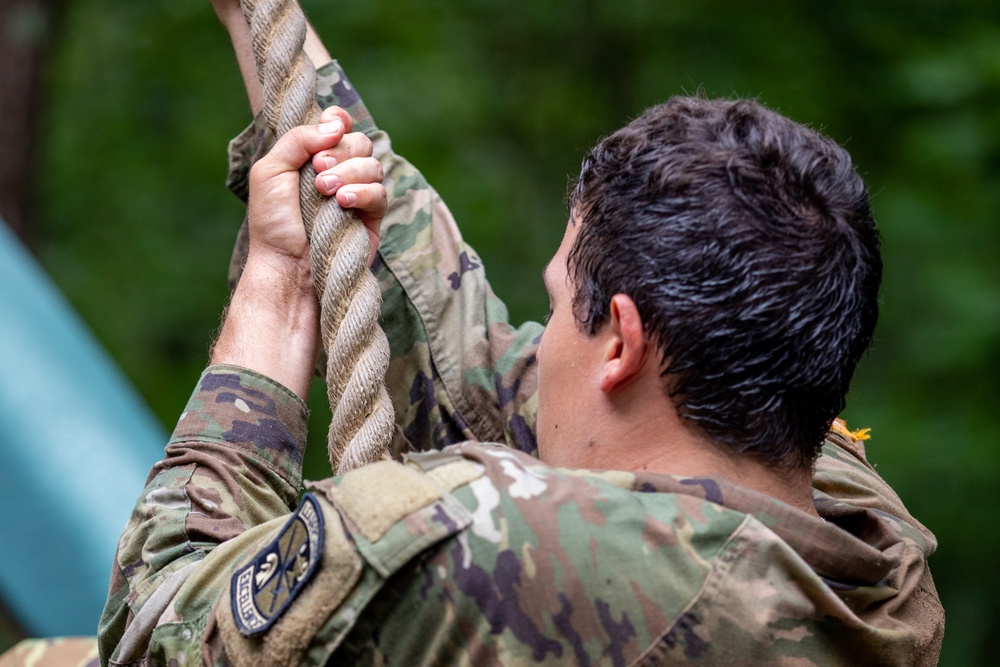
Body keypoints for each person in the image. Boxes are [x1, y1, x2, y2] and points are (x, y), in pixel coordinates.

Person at [97, 3, 945, 665]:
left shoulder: (476, 555)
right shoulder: (867, 539)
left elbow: (152, 629)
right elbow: (487, 381)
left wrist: (277, 287)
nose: (538, 352)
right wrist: (259, 23)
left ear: (619, 342)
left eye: (555, 307)